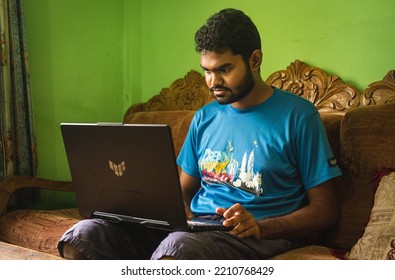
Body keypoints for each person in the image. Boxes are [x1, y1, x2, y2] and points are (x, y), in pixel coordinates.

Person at [58, 8, 341, 260]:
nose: (213, 82)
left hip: (253, 235)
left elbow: (326, 208)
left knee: (178, 250)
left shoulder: (299, 117)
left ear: (255, 60)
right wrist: (160, 210)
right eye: (207, 71)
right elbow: (182, 190)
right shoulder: (204, 117)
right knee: (83, 235)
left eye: (224, 70)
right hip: (194, 229)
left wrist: (262, 226)